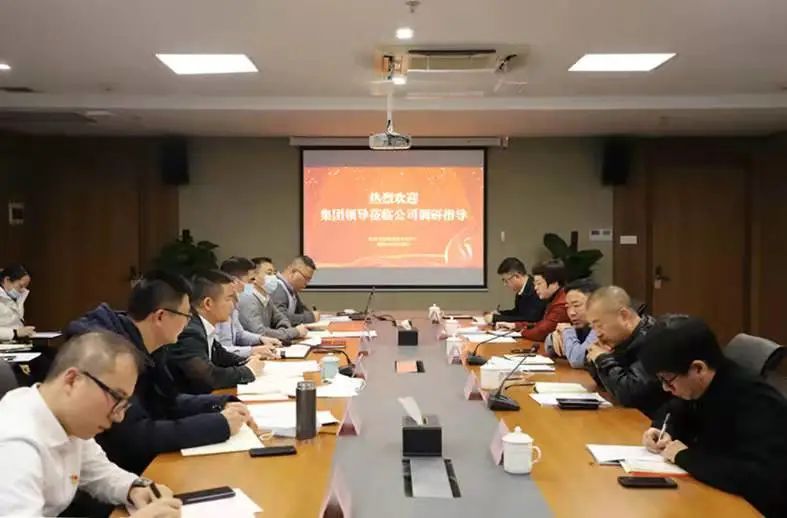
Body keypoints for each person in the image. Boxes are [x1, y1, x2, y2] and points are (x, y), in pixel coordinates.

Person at [65, 270, 257, 474]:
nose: (188, 323)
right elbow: (135, 436)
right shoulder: (111, 355)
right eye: (186, 316)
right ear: (160, 316)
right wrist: (219, 424)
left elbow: (166, 402)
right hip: (113, 471)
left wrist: (221, 403)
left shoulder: (149, 346)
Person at [0, 331, 181, 517]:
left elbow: (100, 472)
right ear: (72, 380)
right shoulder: (15, 444)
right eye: (116, 397)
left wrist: (135, 488)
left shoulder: (67, 421)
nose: (119, 417)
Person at [640, 315, 787, 517]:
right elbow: (674, 409)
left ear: (698, 368)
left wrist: (684, 456)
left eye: (668, 380)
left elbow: (758, 478)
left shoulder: (755, 401)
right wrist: (662, 428)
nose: (666, 388)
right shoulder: (701, 384)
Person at [167, 270, 262, 394]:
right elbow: (208, 378)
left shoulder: (203, 326)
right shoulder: (190, 331)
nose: (234, 305)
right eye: (229, 298)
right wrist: (248, 371)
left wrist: (247, 360)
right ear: (208, 303)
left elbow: (222, 356)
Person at [584, 285, 667, 416]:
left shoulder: (654, 339)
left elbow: (630, 394)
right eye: (593, 327)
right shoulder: (623, 340)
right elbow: (605, 385)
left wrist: (603, 359)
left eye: (599, 325)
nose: (597, 334)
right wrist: (594, 359)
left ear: (624, 316)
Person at [216, 256, 280, 359]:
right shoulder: (217, 306)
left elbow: (239, 334)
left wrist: (261, 339)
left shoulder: (234, 304)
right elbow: (221, 351)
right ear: (235, 281)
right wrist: (252, 351)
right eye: (251, 280)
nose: (254, 283)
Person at [238, 257, 308, 343]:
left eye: (274, 273)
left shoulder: (266, 296)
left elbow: (282, 318)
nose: (274, 277)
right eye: (269, 273)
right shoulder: (247, 297)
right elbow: (260, 333)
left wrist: (283, 333)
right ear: (253, 277)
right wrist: (292, 332)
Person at [496, 259, 569, 342]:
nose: (535, 288)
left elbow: (541, 332)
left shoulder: (561, 304)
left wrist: (521, 332)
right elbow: (541, 324)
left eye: (539, 283)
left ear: (554, 283)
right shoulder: (554, 298)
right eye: (535, 284)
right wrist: (515, 325)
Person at [545, 278, 599, 368]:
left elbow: (577, 360)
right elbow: (550, 349)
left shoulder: (603, 326)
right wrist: (554, 336)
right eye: (568, 307)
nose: (571, 313)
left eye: (576, 305)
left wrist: (566, 331)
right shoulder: (582, 326)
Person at [485, 257, 545, 325]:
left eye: (506, 280)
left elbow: (529, 319)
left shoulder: (536, 289)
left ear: (517, 276)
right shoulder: (522, 289)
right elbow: (518, 313)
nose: (505, 284)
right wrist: (500, 313)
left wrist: (496, 318)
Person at [271, 256, 319, 325]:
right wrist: (311, 317)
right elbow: (280, 318)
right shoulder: (277, 287)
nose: (306, 283)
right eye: (306, 278)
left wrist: (312, 314)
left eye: (309, 280)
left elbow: (301, 310)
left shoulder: (291, 289)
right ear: (293, 271)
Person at [0, 263, 33, 331]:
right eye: (21, 286)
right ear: (7, 280)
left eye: (25, 287)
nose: (23, 290)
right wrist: (15, 333)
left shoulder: (19, 298)